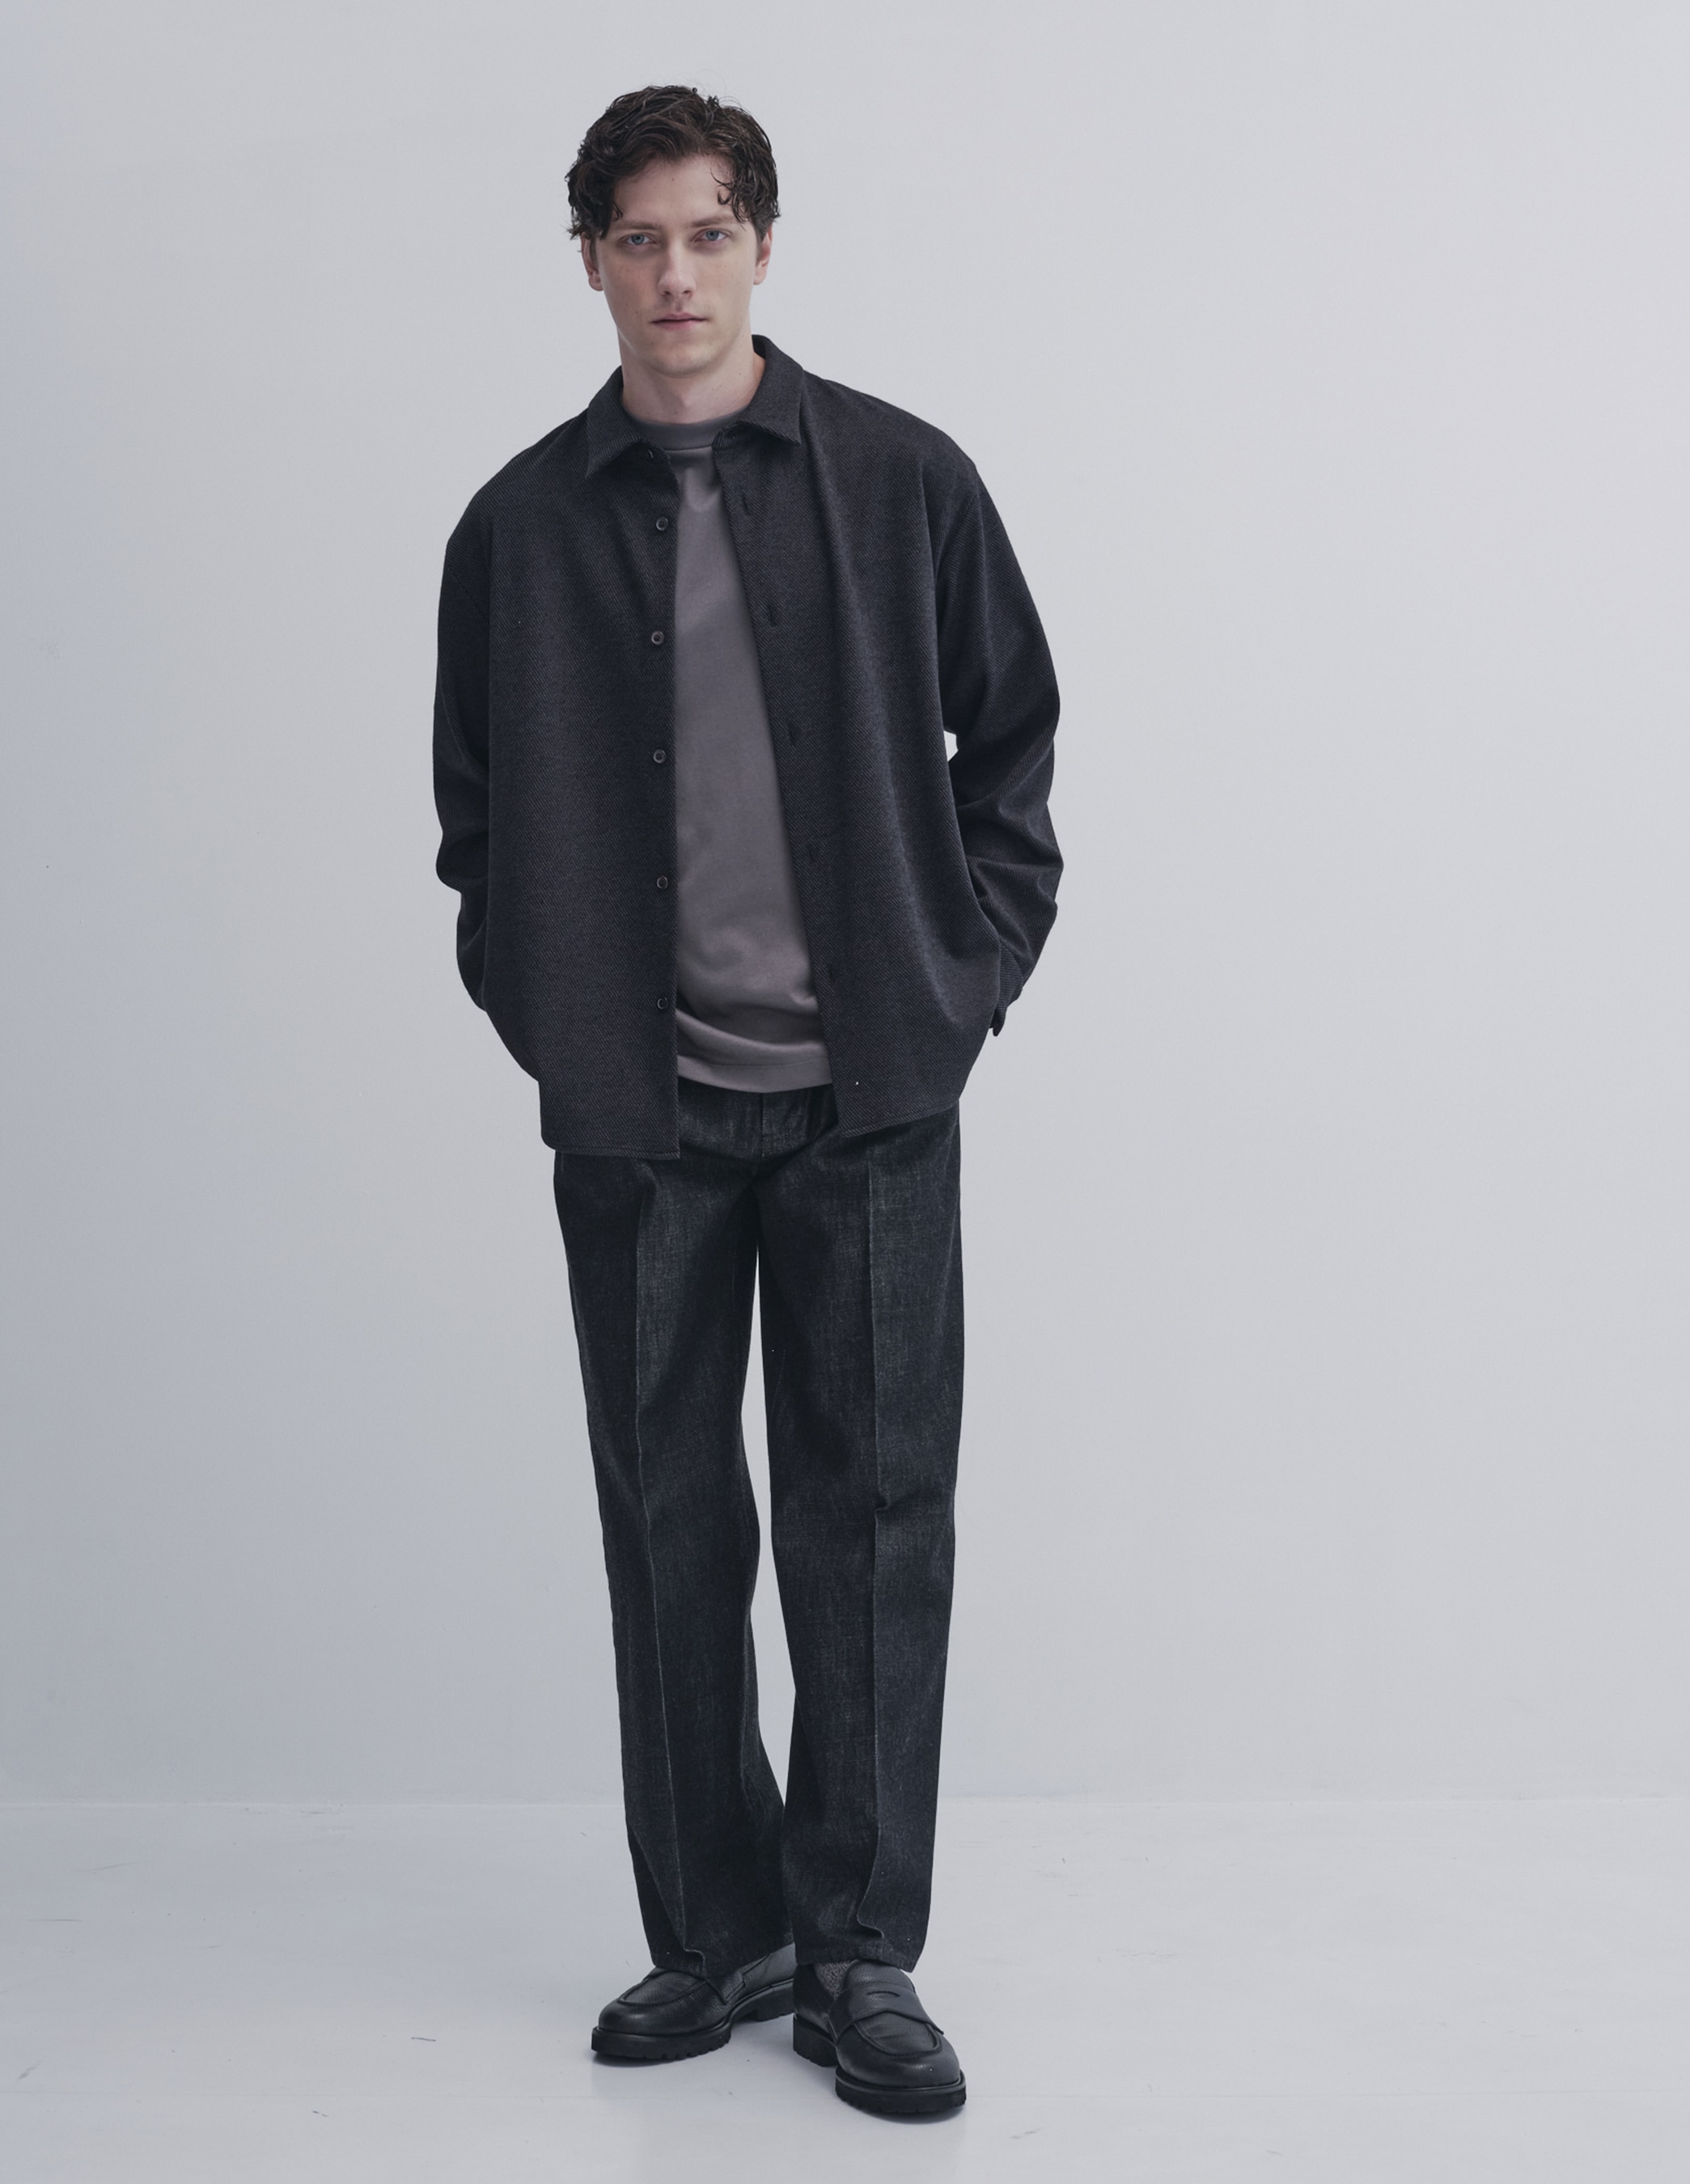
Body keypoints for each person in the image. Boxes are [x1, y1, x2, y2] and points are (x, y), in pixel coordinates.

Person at [433, 83, 1061, 2120]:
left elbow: (1015, 751)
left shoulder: (901, 480)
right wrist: (554, 1017)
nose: (676, 274)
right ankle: (718, 1928)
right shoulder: (519, 528)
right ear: (592, 262)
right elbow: (472, 822)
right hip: (640, 1115)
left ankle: (860, 1954)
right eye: (638, 238)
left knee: (873, 1525)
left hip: (869, 1095)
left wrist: (960, 985)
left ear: (763, 247)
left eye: (709, 233)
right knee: (667, 1520)